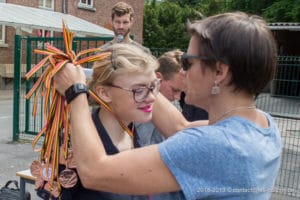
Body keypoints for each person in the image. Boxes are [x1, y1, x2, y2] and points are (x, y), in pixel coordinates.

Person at [54, 12, 282, 200]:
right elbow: (180, 127)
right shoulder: (263, 125)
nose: (182, 71)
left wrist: (76, 92)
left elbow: (95, 172)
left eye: (188, 62)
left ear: (220, 72)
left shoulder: (213, 146)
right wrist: (112, 74)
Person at [58, 43, 158, 199]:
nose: (152, 97)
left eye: (153, 86)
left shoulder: (136, 133)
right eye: (139, 90)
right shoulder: (74, 144)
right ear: (104, 93)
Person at [136, 49, 185, 146]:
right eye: (175, 90)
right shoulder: (139, 107)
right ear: (157, 78)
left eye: (182, 92)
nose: (178, 98)